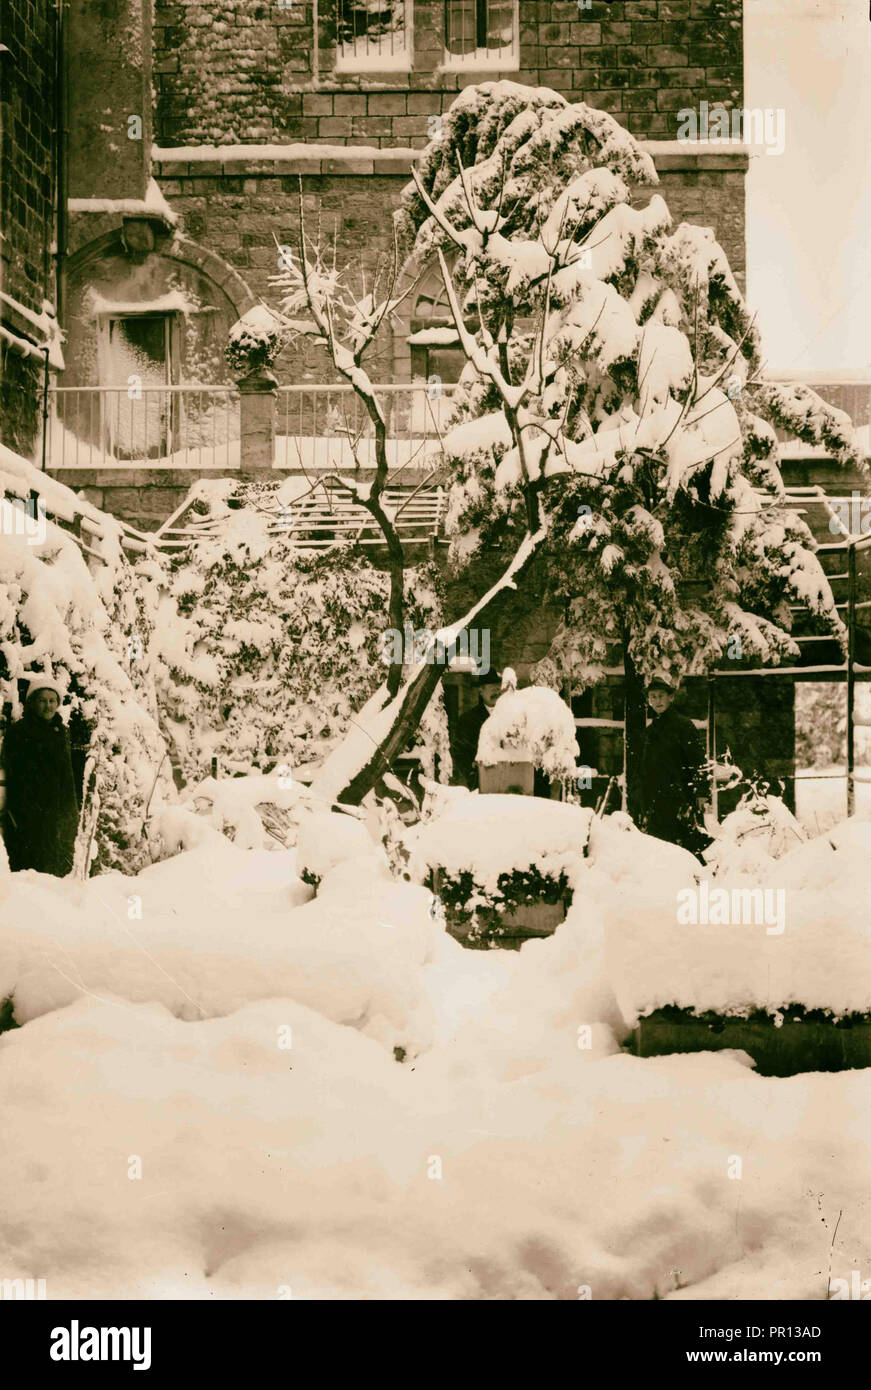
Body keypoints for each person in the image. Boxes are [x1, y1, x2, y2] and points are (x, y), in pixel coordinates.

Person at [1, 678, 80, 876]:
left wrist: (71, 813)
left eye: (52, 700)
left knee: (56, 874)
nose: (48, 706)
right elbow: (13, 774)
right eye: (42, 700)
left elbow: (68, 776)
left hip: (56, 816)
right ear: (32, 702)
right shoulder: (18, 733)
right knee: (29, 874)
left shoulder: (61, 733)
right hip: (26, 817)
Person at [639, 677, 710, 856]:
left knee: (684, 848)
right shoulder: (651, 730)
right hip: (655, 799)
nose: (657, 701)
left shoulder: (683, 726)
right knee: (659, 848)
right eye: (653, 696)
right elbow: (645, 766)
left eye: (661, 696)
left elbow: (699, 761)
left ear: (671, 697)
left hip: (680, 797)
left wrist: (702, 792)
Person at [450, 669, 503, 789]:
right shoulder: (468, 720)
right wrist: (472, 772)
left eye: (498, 688)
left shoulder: (512, 716)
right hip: (481, 780)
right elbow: (459, 752)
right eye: (492, 688)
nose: (496, 692)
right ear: (481, 691)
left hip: (510, 778)